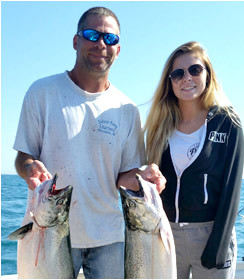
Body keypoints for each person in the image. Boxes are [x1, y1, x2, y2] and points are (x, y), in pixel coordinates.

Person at [14, 7, 165, 279]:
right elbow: (23, 157)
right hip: (49, 232)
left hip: (109, 236)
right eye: (91, 34)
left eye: (110, 39)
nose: (100, 44)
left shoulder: (127, 108)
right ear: (75, 41)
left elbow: (123, 178)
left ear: (118, 50)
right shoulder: (42, 92)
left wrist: (143, 176)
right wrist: (28, 168)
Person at [144, 41, 244, 279]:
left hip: (211, 235)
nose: (186, 78)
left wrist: (218, 244)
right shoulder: (160, 127)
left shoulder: (228, 123)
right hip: (166, 236)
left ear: (208, 74)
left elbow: (232, 189)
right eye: (178, 73)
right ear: (170, 82)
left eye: (195, 70)